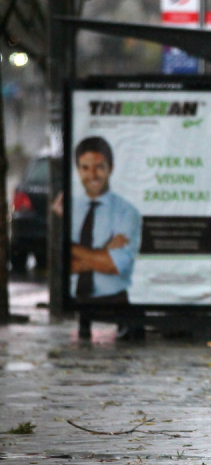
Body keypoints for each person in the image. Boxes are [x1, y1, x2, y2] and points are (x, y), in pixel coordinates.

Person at [66, 136, 143, 340]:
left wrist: (72, 248)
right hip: (77, 304)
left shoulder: (126, 212)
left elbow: (115, 265)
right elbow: (62, 265)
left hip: (116, 303)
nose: (92, 175)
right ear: (77, 170)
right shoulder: (69, 209)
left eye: (99, 167)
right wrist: (102, 253)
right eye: (85, 168)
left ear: (111, 168)